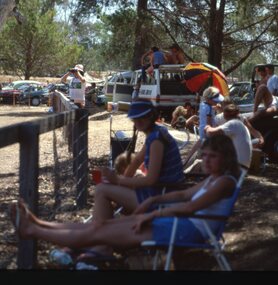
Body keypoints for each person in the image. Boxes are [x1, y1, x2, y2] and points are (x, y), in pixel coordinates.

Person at [10, 134, 240, 258]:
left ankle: (32, 230)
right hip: (177, 223)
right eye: (205, 155)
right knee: (100, 224)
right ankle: (37, 222)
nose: (206, 161)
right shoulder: (213, 179)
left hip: (185, 229)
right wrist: (152, 200)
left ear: (226, 158)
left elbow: (190, 207)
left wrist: (152, 215)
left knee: (98, 231)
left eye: (213, 156)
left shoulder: (225, 183)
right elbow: (183, 194)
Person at [204, 104, 252, 169]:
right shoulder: (241, 125)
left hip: (237, 165)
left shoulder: (233, 124)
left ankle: (186, 175)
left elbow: (210, 133)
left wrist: (208, 126)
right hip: (243, 165)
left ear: (224, 115)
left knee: (202, 162)